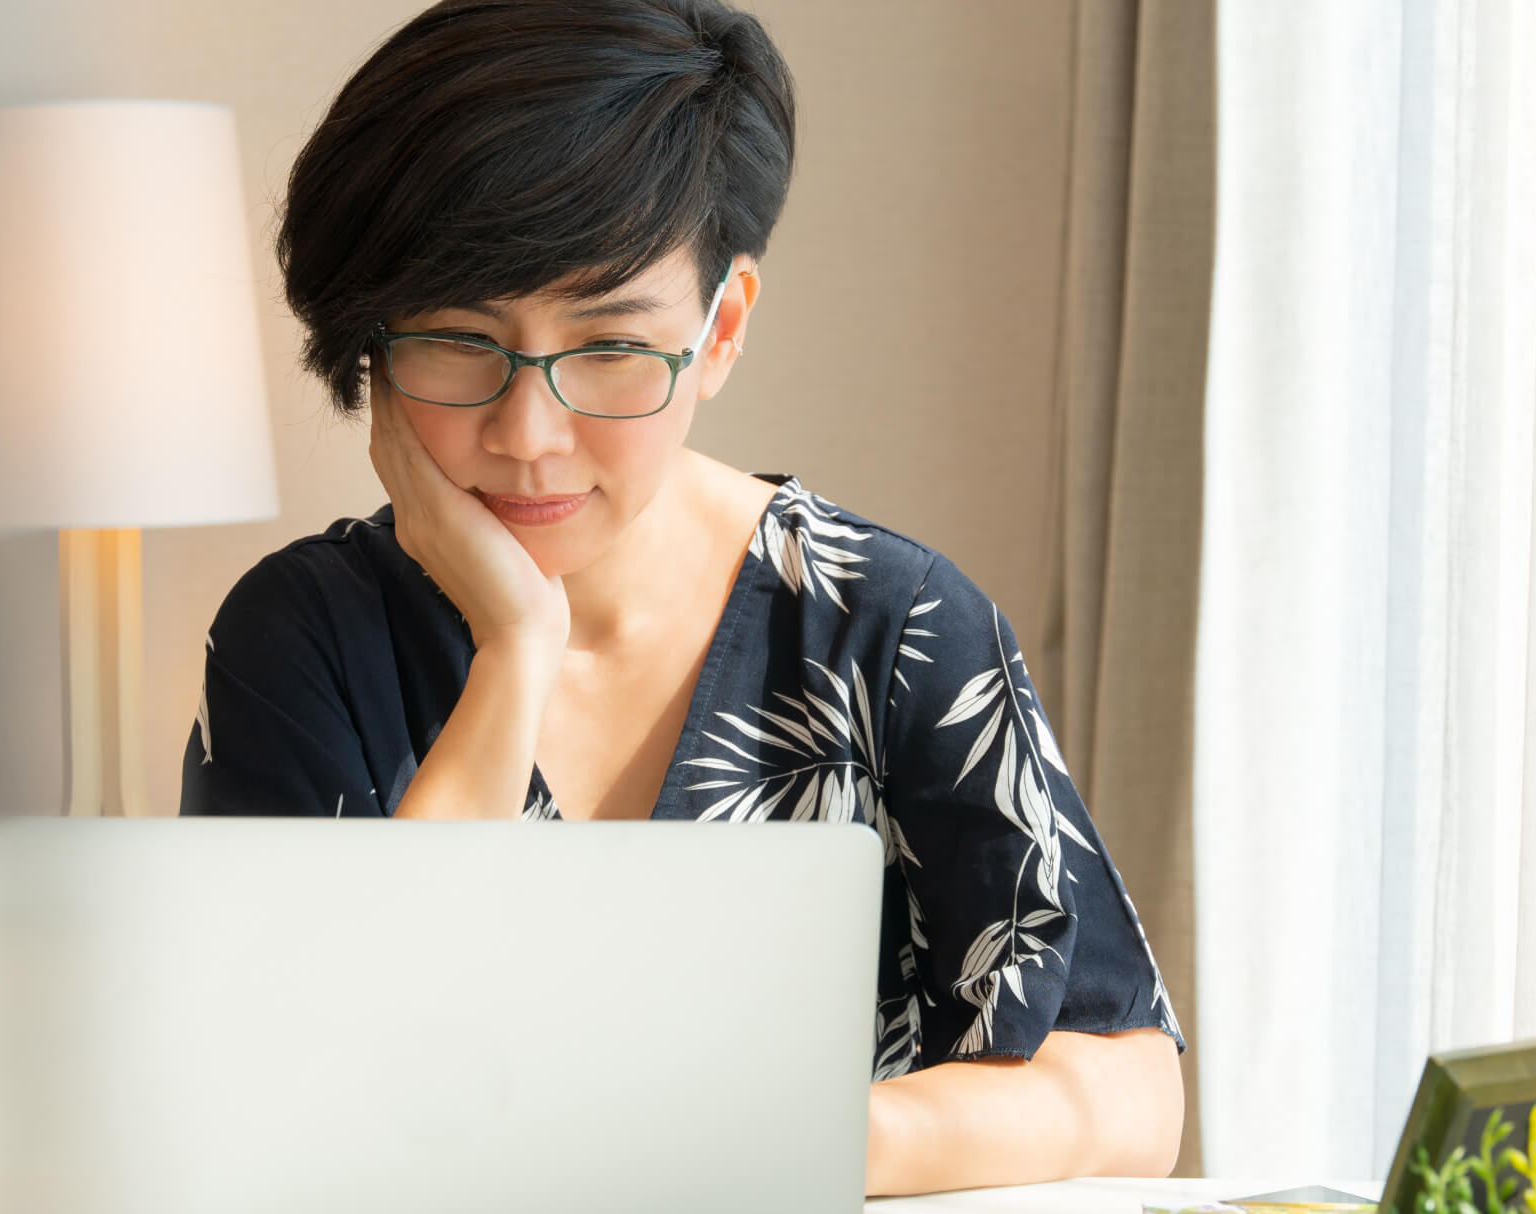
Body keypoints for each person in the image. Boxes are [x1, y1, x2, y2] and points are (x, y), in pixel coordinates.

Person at [181, 0, 1185, 1195]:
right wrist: (515, 650)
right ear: (372, 351)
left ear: (721, 331)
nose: (530, 435)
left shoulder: (888, 622)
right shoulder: (300, 640)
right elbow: (307, 1111)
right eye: (458, 341)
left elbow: (1128, 1086)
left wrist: (797, 1133)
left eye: (608, 347)